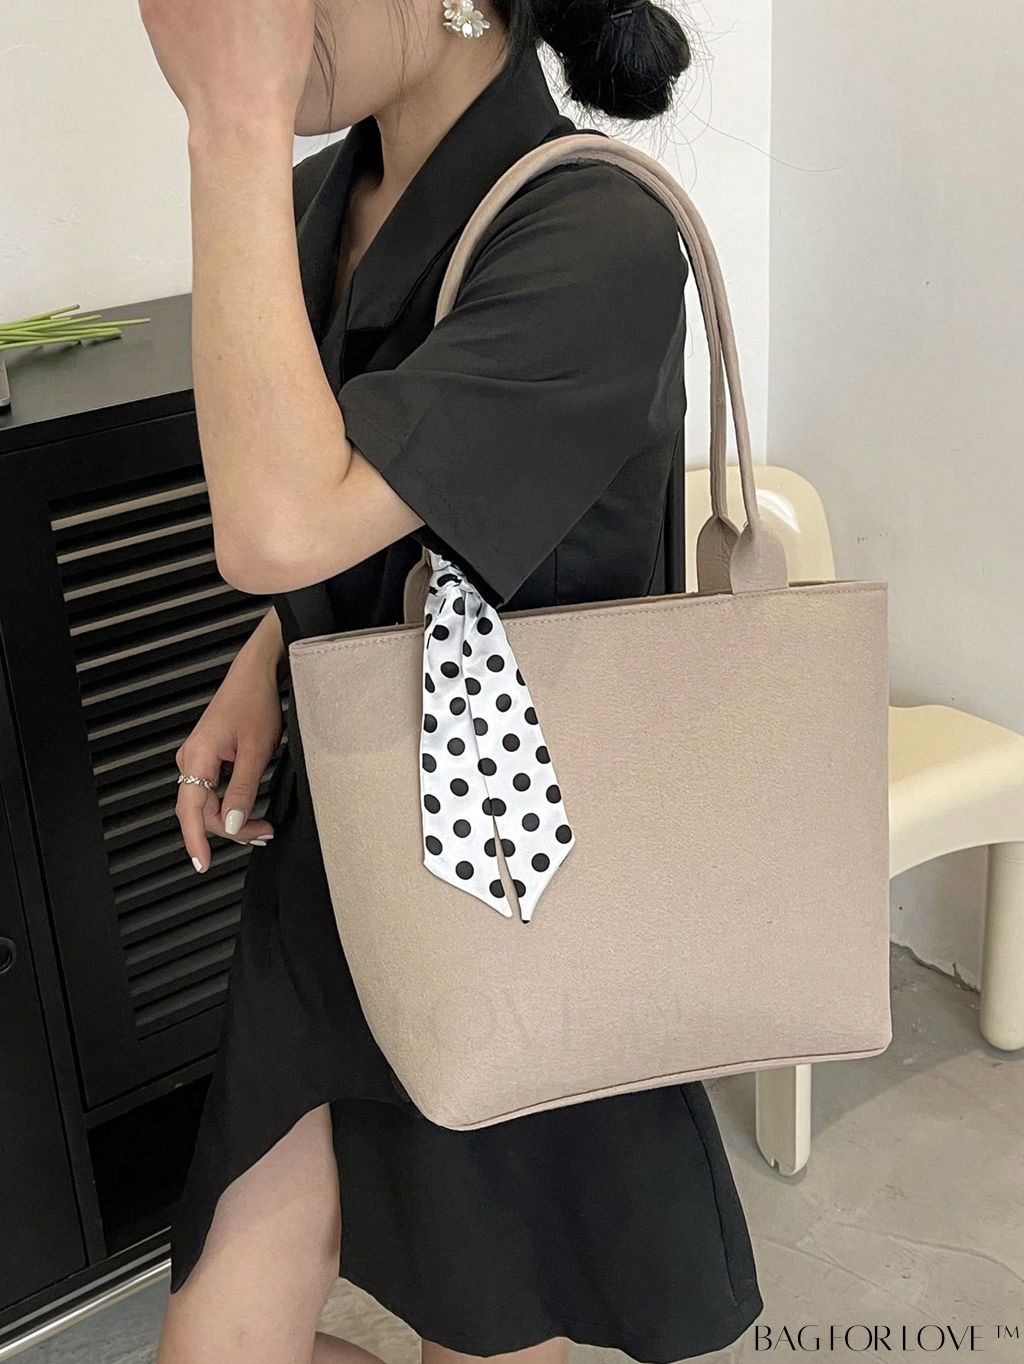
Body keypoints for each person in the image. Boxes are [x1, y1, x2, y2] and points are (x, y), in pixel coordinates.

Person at [140, 0, 765, 1359]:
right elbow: (375, 512)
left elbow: (280, 525)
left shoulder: (594, 234)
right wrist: (264, 660)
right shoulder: (319, 199)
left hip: (512, 870)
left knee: (486, 1315)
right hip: (338, 843)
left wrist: (230, 125)